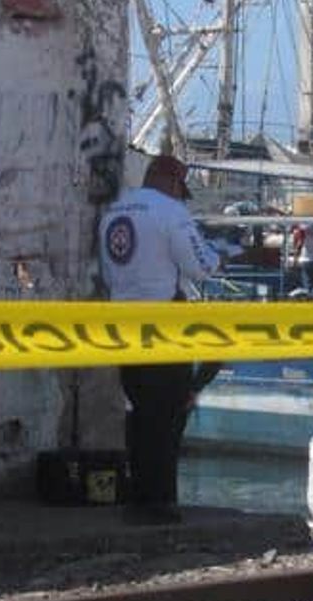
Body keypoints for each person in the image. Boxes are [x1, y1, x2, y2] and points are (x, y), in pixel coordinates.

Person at [98, 154, 221, 524]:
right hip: (166, 325)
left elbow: (108, 272)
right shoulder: (171, 212)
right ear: (170, 183)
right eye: (180, 190)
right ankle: (162, 501)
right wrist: (219, 260)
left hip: (124, 326)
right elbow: (199, 265)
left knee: (139, 413)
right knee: (169, 416)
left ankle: (138, 499)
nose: (181, 198)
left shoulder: (112, 213)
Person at [292, 222, 313, 293]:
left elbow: (299, 244)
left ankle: (308, 300)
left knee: (307, 287)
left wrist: (295, 260)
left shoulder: (304, 227)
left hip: (305, 259)